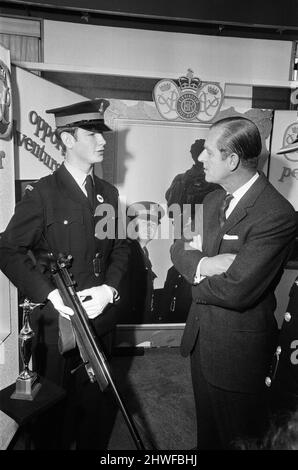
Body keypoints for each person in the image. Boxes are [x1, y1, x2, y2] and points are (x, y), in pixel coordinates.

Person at [0, 98, 130, 449]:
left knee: (98, 410)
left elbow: (120, 247)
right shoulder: (43, 193)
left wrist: (110, 291)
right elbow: (7, 248)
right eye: (92, 134)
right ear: (67, 139)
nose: (103, 141)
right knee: (54, 418)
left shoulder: (108, 193)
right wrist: (48, 293)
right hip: (60, 326)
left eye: (102, 134)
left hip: (99, 319)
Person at [170, 116, 297, 450]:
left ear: (232, 160)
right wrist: (205, 265)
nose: (201, 158)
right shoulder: (213, 200)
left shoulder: (276, 214)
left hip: (237, 356)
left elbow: (237, 290)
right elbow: (178, 247)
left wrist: (192, 276)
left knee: (238, 442)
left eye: (209, 151)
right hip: (201, 341)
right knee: (207, 439)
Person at [161, 139, 220, 323]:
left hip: (192, 229)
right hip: (198, 230)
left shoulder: (182, 179)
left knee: (187, 270)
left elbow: (172, 206)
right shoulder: (209, 180)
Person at [118, 201, 164, 324]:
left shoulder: (143, 252)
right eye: (144, 222)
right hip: (128, 327)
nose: (150, 227)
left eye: (154, 224)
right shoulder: (126, 252)